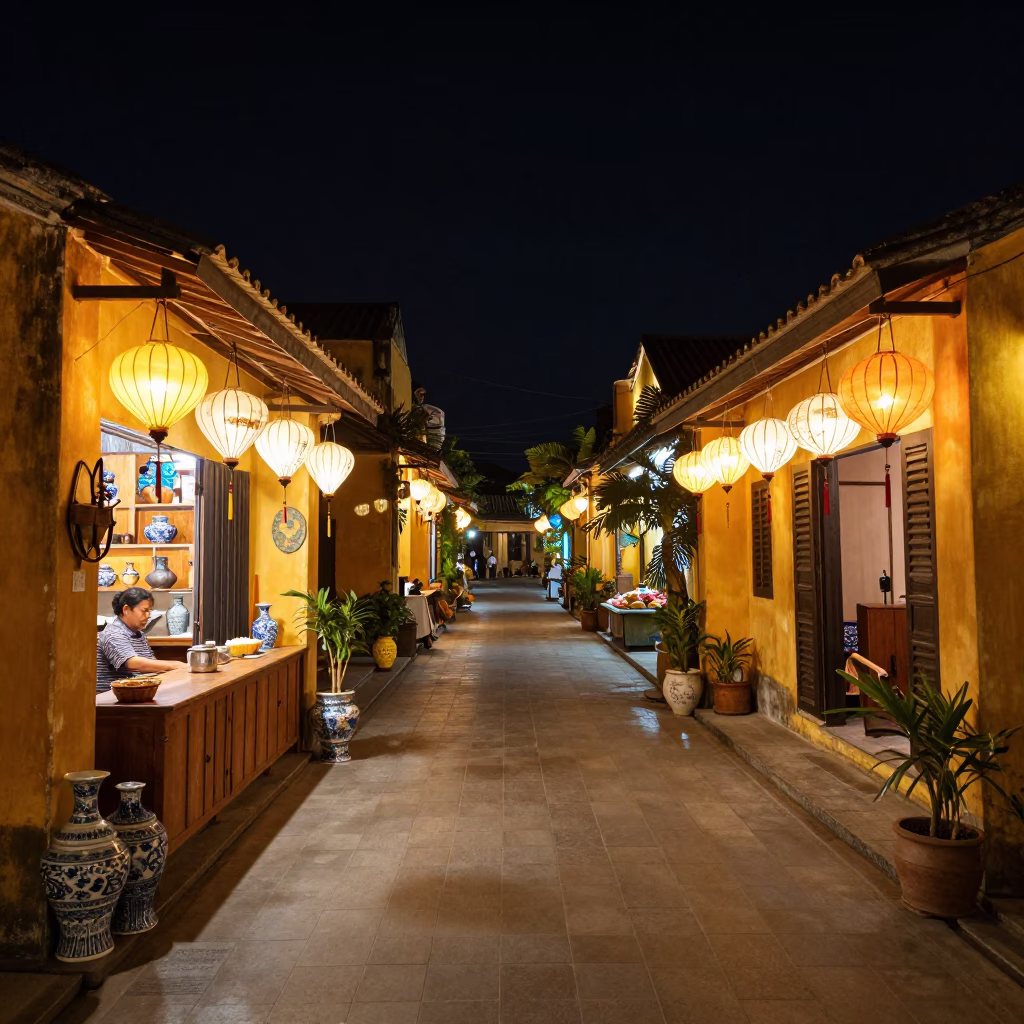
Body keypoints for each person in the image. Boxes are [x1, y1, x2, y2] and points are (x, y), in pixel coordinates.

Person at [97, 587, 182, 693]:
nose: (148, 616)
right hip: (111, 699)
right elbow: (133, 663)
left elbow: (152, 665)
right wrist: (176, 665)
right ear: (126, 610)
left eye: (149, 611)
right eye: (144, 611)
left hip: (134, 694)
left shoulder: (138, 634)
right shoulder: (113, 633)